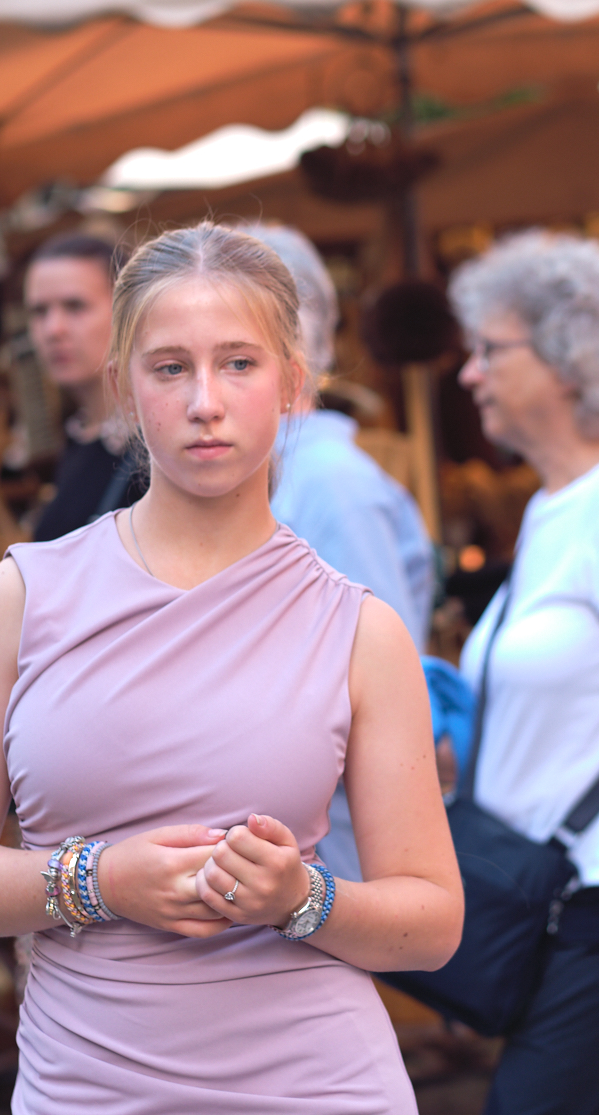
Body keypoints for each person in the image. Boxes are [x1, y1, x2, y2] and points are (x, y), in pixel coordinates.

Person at [0, 223, 462, 1114]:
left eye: (239, 363)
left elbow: (431, 924)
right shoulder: (23, 596)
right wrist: (97, 881)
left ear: (293, 382)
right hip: (86, 1087)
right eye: (170, 368)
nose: (206, 401)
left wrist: (301, 897)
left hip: (321, 1084)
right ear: (123, 387)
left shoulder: (359, 629)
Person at [453, 231, 599, 1115]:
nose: (469, 373)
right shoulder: (552, 508)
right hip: (550, 910)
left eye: (489, 349)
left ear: (568, 357)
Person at [245, 224, 435, 880]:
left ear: (289, 347)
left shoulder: (331, 485)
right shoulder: (270, 475)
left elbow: (386, 705)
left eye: (235, 354)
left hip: (333, 870)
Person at [24, 232, 145, 539]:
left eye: (75, 306)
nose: (53, 329)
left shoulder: (154, 453)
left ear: (127, 312)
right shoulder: (79, 438)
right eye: (39, 312)